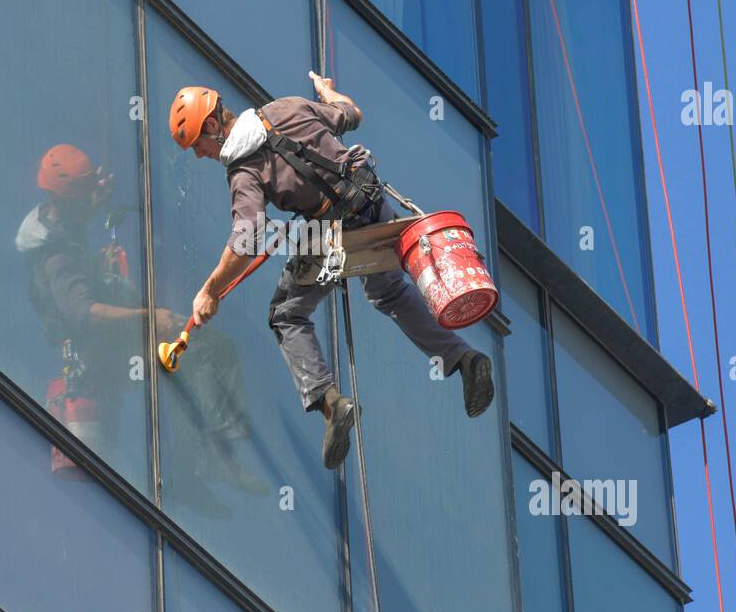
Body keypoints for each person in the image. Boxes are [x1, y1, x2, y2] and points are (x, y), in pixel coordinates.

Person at [167, 72, 495, 472]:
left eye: (197, 144)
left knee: (285, 314)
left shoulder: (243, 170)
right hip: (373, 204)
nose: (199, 155)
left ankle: (331, 405)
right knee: (389, 292)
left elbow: (245, 240)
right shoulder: (287, 106)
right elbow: (350, 113)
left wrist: (210, 290)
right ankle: (463, 358)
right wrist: (328, 93)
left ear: (214, 127)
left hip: (334, 230)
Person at [18, 143, 255, 479]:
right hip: (100, 353)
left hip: (102, 349)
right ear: (69, 200)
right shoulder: (58, 256)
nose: (92, 201)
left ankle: (201, 463)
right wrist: (151, 318)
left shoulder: (58, 226)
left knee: (186, 354)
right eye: (85, 195)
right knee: (201, 351)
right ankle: (210, 462)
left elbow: (75, 221)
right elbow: (85, 313)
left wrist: (92, 201)